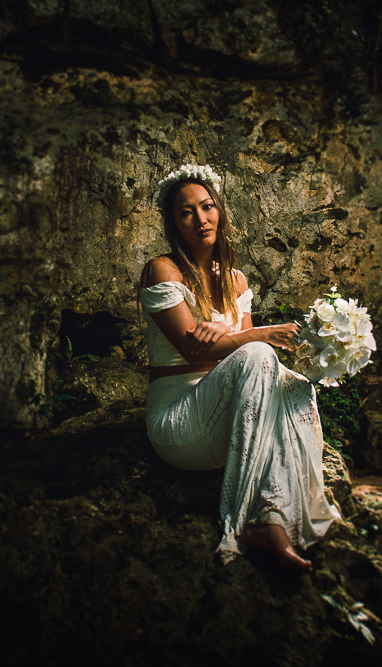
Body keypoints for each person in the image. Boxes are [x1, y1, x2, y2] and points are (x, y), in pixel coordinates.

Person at [139, 164, 340, 573]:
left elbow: (239, 359)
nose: (200, 219)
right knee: (259, 354)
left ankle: (271, 522)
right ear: (173, 223)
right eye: (186, 212)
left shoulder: (236, 280)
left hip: (228, 420)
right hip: (180, 422)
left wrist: (222, 334)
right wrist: (255, 335)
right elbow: (199, 354)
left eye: (207, 206)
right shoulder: (164, 270)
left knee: (295, 385)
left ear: (220, 211)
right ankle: (243, 518)